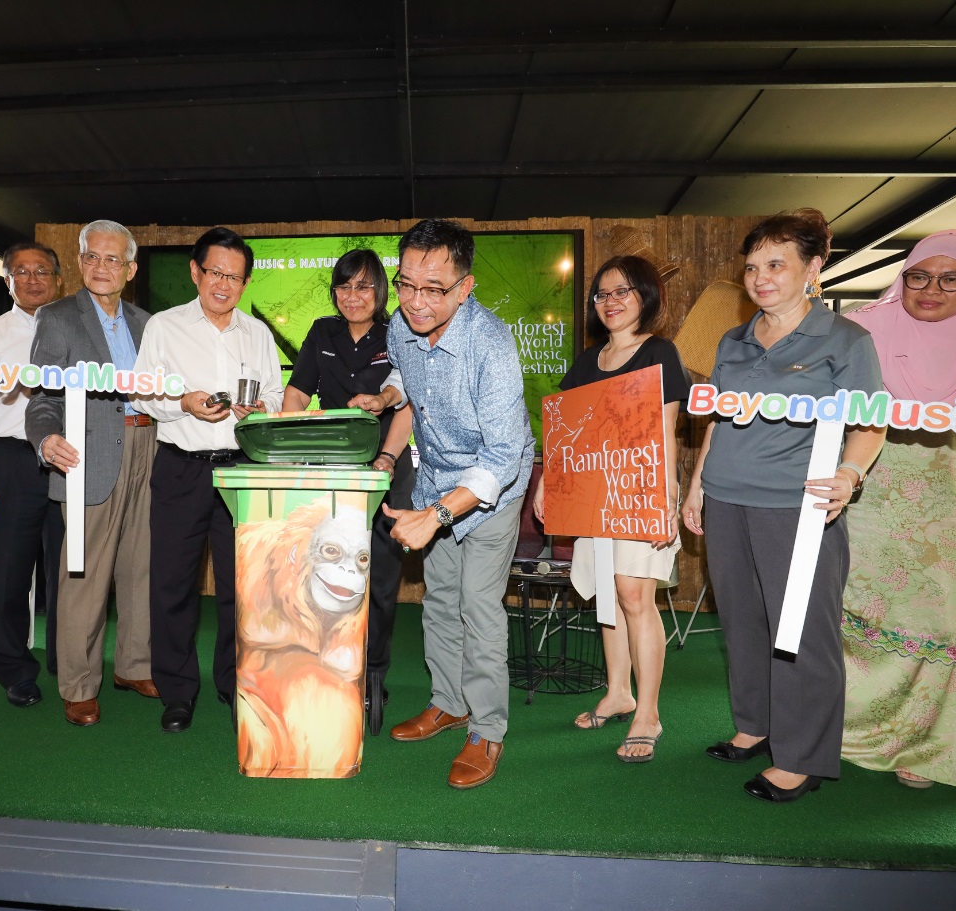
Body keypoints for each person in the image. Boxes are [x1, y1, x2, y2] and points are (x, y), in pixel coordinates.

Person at [680, 208, 885, 803]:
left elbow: (870, 425)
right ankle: (756, 726)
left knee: (801, 630)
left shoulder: (846, 340)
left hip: (798, 505)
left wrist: (848, 474)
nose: (760, 277)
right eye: (752, 266)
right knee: (743, 621)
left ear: (813, 268)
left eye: (776, 264)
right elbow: (720, 416)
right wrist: (696, 486)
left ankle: (804, 757)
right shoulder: (734, 339)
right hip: (725, 497)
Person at [352, 218, 535, 789]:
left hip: (491, 487)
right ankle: (448, 701)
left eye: (434, 289)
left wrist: (435, 515)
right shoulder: (401, 330)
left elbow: (502, 456)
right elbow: (411, 383)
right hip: (437, 475)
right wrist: (387, 395)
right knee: (440, 600)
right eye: (406, 284)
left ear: (466, 287)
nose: (415, 301)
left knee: (479, 605)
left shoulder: (492, 345)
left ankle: (486, 728)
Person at [841, 230, 956, 790]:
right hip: (868, 487)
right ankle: (844, 728)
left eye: (952, 279)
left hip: (947, 498)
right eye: (919, 275)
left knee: (943, 613)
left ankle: (926, 745)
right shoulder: (866, 326)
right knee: (856, 602)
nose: (930, 290)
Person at [531, 255, 690, 762]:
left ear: (645, 296)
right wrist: (546, 484)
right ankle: (618, 692)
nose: (611, 302)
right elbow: (567, 435)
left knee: (635, 596)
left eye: (622, 291)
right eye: (602, 294)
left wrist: (665, 501)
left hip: (641, 490)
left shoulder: (659, 352)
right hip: (594, 495)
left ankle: (649, 713)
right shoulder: (586, 362)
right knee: (606, 594)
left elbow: (665, 433)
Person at [135, 227, 283, 734]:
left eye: (235, 277)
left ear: (245, 284)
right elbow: (140, 396)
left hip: (242, 467)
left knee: (242, 587)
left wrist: (260, 407)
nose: (224, 284)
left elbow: (276, 395)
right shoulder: (163, 326)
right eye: (215, 272)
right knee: (173, 582)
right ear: (195, 272)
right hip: (181, 465)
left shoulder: (258, 333)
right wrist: (182, 402)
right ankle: (177, 692)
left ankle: (235, 682)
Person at [25, 220, 158, 727]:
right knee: (82, 573)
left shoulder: (149, 324)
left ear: (131, 267)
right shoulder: (57, 316)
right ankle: (79, 684)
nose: (103, 267)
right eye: (93, 258)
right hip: (86, 452)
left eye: (113, 259)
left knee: (141, 567)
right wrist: (44, 439)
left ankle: (134, 666)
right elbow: (42, 395)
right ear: (80, 262)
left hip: (148, 446)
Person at [284, 249, 415, 731]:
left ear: (379, 291)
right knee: (324, 572)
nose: (352, 296)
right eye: (344, 287)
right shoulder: (322, 332)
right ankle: (323, 665)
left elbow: (407, 404)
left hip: (387, 470)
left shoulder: (399, 331)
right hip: (332, 470)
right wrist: (289, 437)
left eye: (363, 287)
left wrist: (386, 458)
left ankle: (372, 674)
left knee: (378, 581)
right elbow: (298, 392)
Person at [0, 242, 66, 708]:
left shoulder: (79, 331)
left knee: (72, 570)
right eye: (21, 272)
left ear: (60, 279)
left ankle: (71, 663)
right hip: (12, 461)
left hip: (71, 459)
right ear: (7, 281)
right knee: (7, 573)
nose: (33, 279)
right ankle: (14, 668)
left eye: (42, 270)